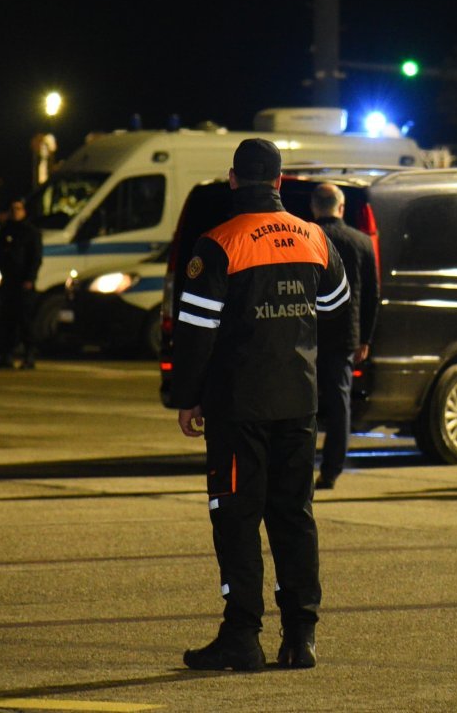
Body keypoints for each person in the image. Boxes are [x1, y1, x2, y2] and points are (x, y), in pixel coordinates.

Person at [171, 139, 352, 671]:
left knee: (236, 518)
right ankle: (301, 637)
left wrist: (188, 398)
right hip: (299, 402)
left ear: (233, 180)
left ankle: (242, 635)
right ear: (278, 181)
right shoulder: (314, 237)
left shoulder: (219, 243)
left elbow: (196, 331)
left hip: (238, 407)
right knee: (294, 517)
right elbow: (337, 308)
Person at [308, 183, 376, 491]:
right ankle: (331, 470)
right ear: (341, 207)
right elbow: (372, 294)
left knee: (302, 404)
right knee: (339, 404)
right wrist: (365, 337)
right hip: (344, 335)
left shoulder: (306, 237)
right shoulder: (361, 242)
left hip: (306, 333)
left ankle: (296, 464)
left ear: (314, 208)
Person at [0, 198, 42, 369]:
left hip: (22, 283)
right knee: (6, 321)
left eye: (18, 209)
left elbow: (35, 258)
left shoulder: (31, 232)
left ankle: (29, 355)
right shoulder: (6, 231)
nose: (15, 212)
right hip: (8, 282)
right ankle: (6, 356)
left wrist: (30, 279)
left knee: (25, 321)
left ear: (24, 211)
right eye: (13, 209)